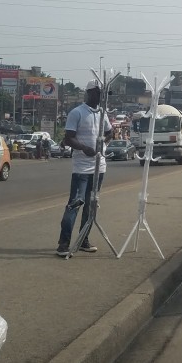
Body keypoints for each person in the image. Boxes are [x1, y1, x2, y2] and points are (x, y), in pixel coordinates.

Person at [57, 79, 112, 256]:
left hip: (99, 167)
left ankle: (83, 240)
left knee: (91, 206)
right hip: (82, 169)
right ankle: (63, 244)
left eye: (103, 94)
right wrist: (84, 148)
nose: (102, 97)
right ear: (90, 93)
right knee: (75, 204)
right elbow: (68, 138)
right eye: (99, 93)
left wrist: (103, 146)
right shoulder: (77, 113)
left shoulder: (103, 113)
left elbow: (110, 132)